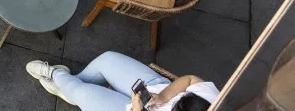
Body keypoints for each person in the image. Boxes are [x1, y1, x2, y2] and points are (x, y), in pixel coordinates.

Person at [25, 53, 218, 110]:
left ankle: (55, 75)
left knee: (83, 93)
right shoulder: (215, 101)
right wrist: (163, 96)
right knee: (107, 59)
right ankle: (70, 87)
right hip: (154, 87)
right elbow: (190, 79)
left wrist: (136, 110)